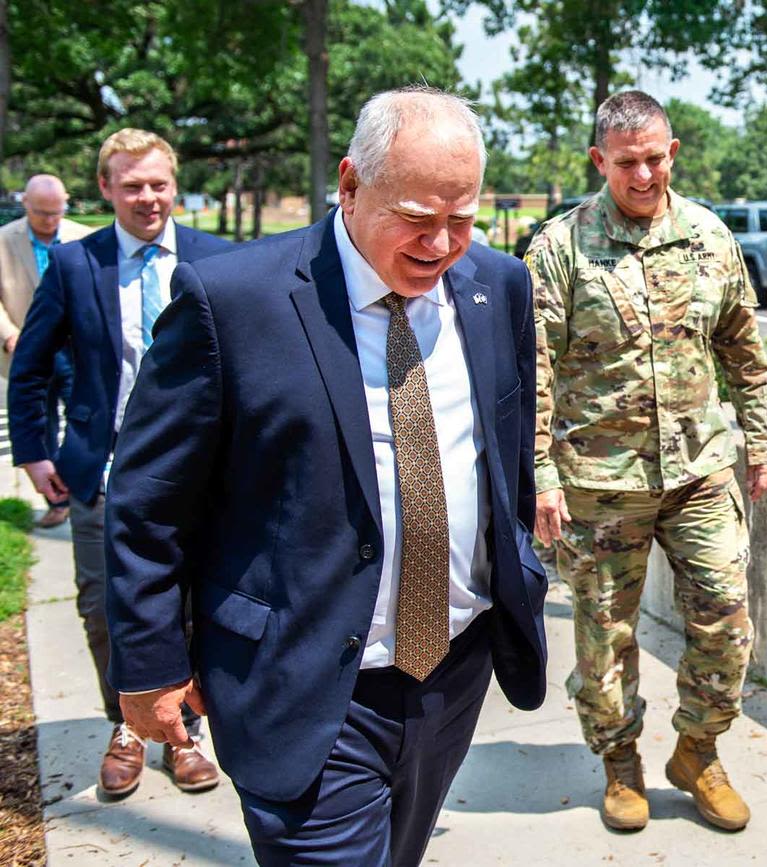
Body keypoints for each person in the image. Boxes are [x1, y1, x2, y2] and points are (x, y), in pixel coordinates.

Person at [103, 87, 546, 866]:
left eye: (463, 217)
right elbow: (147, 500)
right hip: (303, 683)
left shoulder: (497, 286)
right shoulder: (234, 301)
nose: (442, 243)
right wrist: (150, 663)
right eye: (416, 216)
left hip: (453, 669)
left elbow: (505, 450)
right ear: (348, 184)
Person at [526, 90, 767, 833]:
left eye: (655, 158)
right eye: (626, 162)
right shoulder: (560, 247)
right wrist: (540, 473)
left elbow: (743, 347)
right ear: (600, 160)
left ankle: (697, 749)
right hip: (602, 484)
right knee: (605, 638)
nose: (644, 175)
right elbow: (533, 369)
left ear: (673, 152)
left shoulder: (707, 234)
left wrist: (759, 440)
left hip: (699, 471)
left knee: (728, 621)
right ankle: (620, 760)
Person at [8, 131, 230, 796]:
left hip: (200, 475)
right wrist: (35, 451)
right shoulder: (76, 265)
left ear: (175, 185)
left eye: (159, 183)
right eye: (132, 185)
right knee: (105, 607)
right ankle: (128, 725)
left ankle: (183, 729)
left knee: (194, 606)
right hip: (102, 471)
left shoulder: (218, 260)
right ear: (106, 189)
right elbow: (31, 367)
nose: (148, 197)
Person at [0, 174, 93, 528]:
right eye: (42, 213)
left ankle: (81, 489)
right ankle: (55, 497)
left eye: (57, 212)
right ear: (25, 204)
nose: (50, 220)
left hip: (74, 351)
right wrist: (10, 334)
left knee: (82, 419)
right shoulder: (4, 241)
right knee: (38, 426)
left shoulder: (83, 237)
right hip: (27, 348)